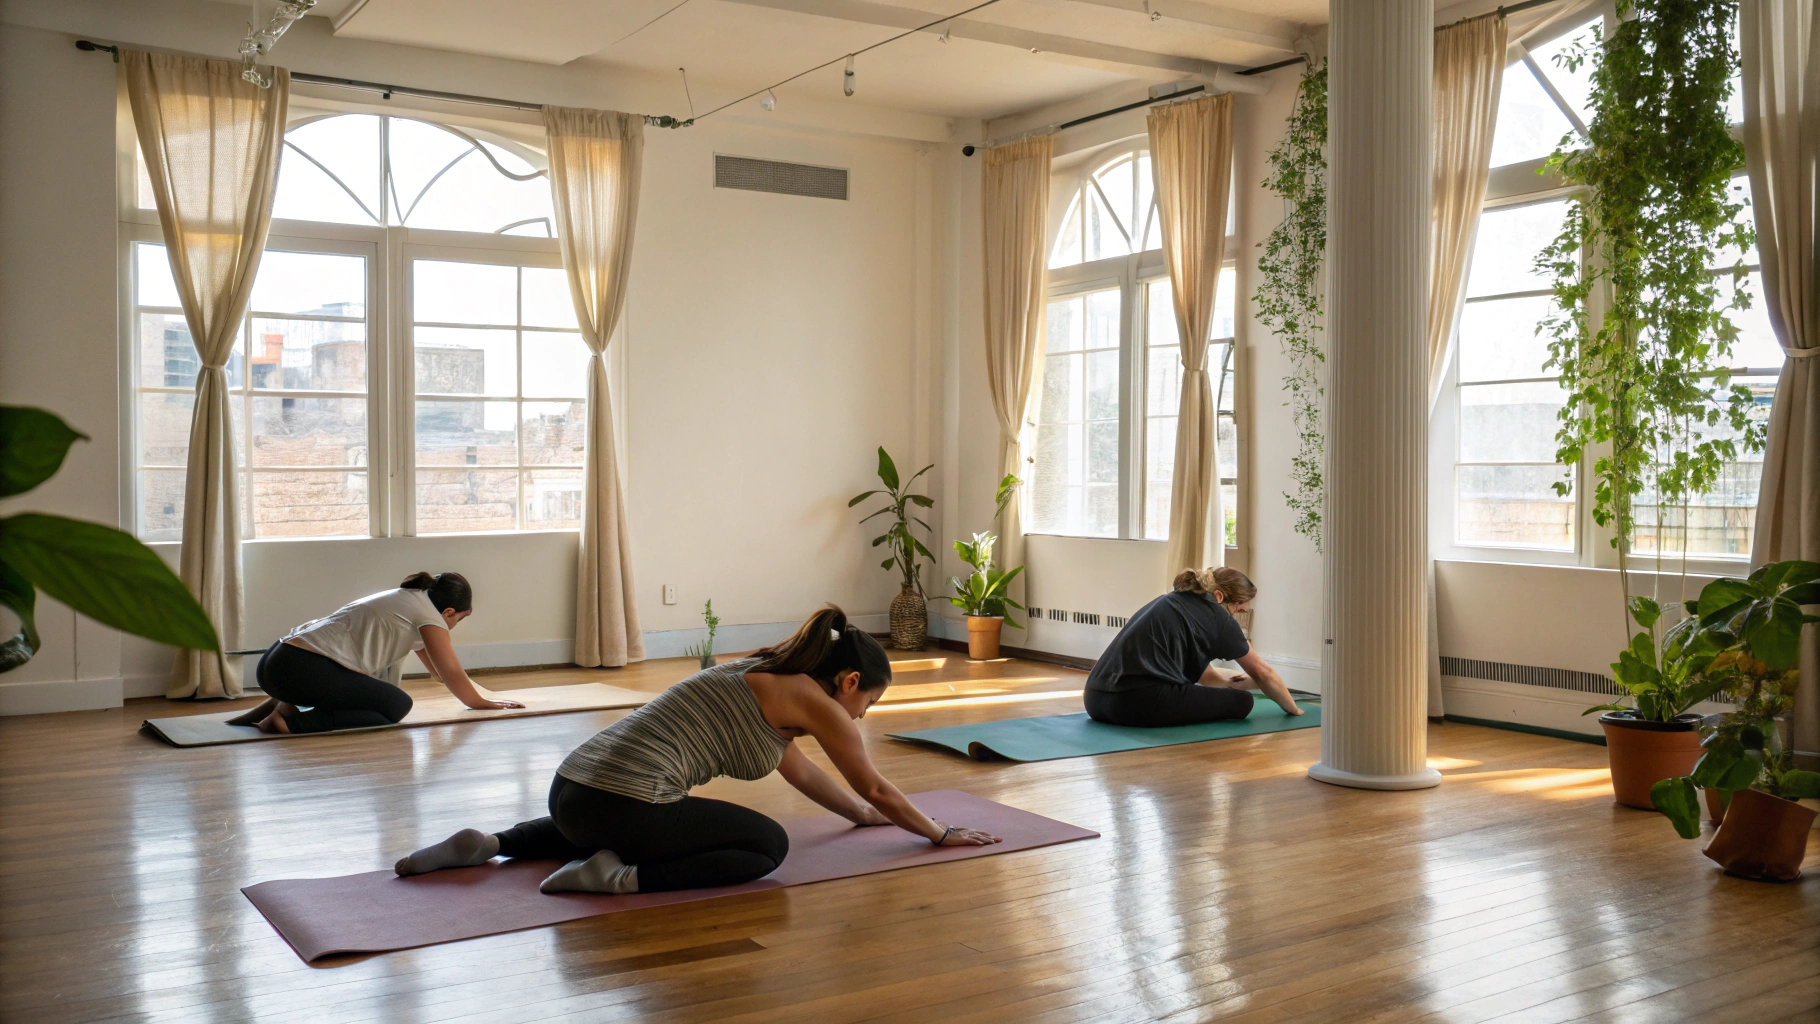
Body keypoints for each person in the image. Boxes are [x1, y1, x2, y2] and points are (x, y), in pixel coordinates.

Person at [393, 606, 1002, 895]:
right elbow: (874, 783)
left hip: (570, 789)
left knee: (601, 816)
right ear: (849, 681)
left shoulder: (761, 671)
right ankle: (619, 877)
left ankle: (492, 843)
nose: (863, 714)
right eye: (868, 701)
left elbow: (800, 771)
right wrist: (938, 832)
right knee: (768, 845)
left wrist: (862, 817)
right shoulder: (815, 700)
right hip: (624, 807)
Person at [228, 571, 524, 734]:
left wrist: (476, 694)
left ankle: (284, 703)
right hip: (300, 668)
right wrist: (482, 703)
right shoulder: (429, 617)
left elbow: (438, 673)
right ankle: (289, 722)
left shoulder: (410, 600)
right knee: (396, 705)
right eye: (460, 618)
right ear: (448, 612)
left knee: (377, 694)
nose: (454, 626)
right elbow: (452, 672)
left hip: (278, 661)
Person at [1082, 566, 1304, 728]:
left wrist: (1237, 684)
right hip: (1135, 704)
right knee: (1242, 703)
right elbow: (1264, 673)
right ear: (1219, 596)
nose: (1236, 616)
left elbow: (1204, 675)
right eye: (1238, 609)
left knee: (1218, 693)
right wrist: (1294, 709)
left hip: (1095, 700)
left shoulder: (1171, 601)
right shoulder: (1218, 616)